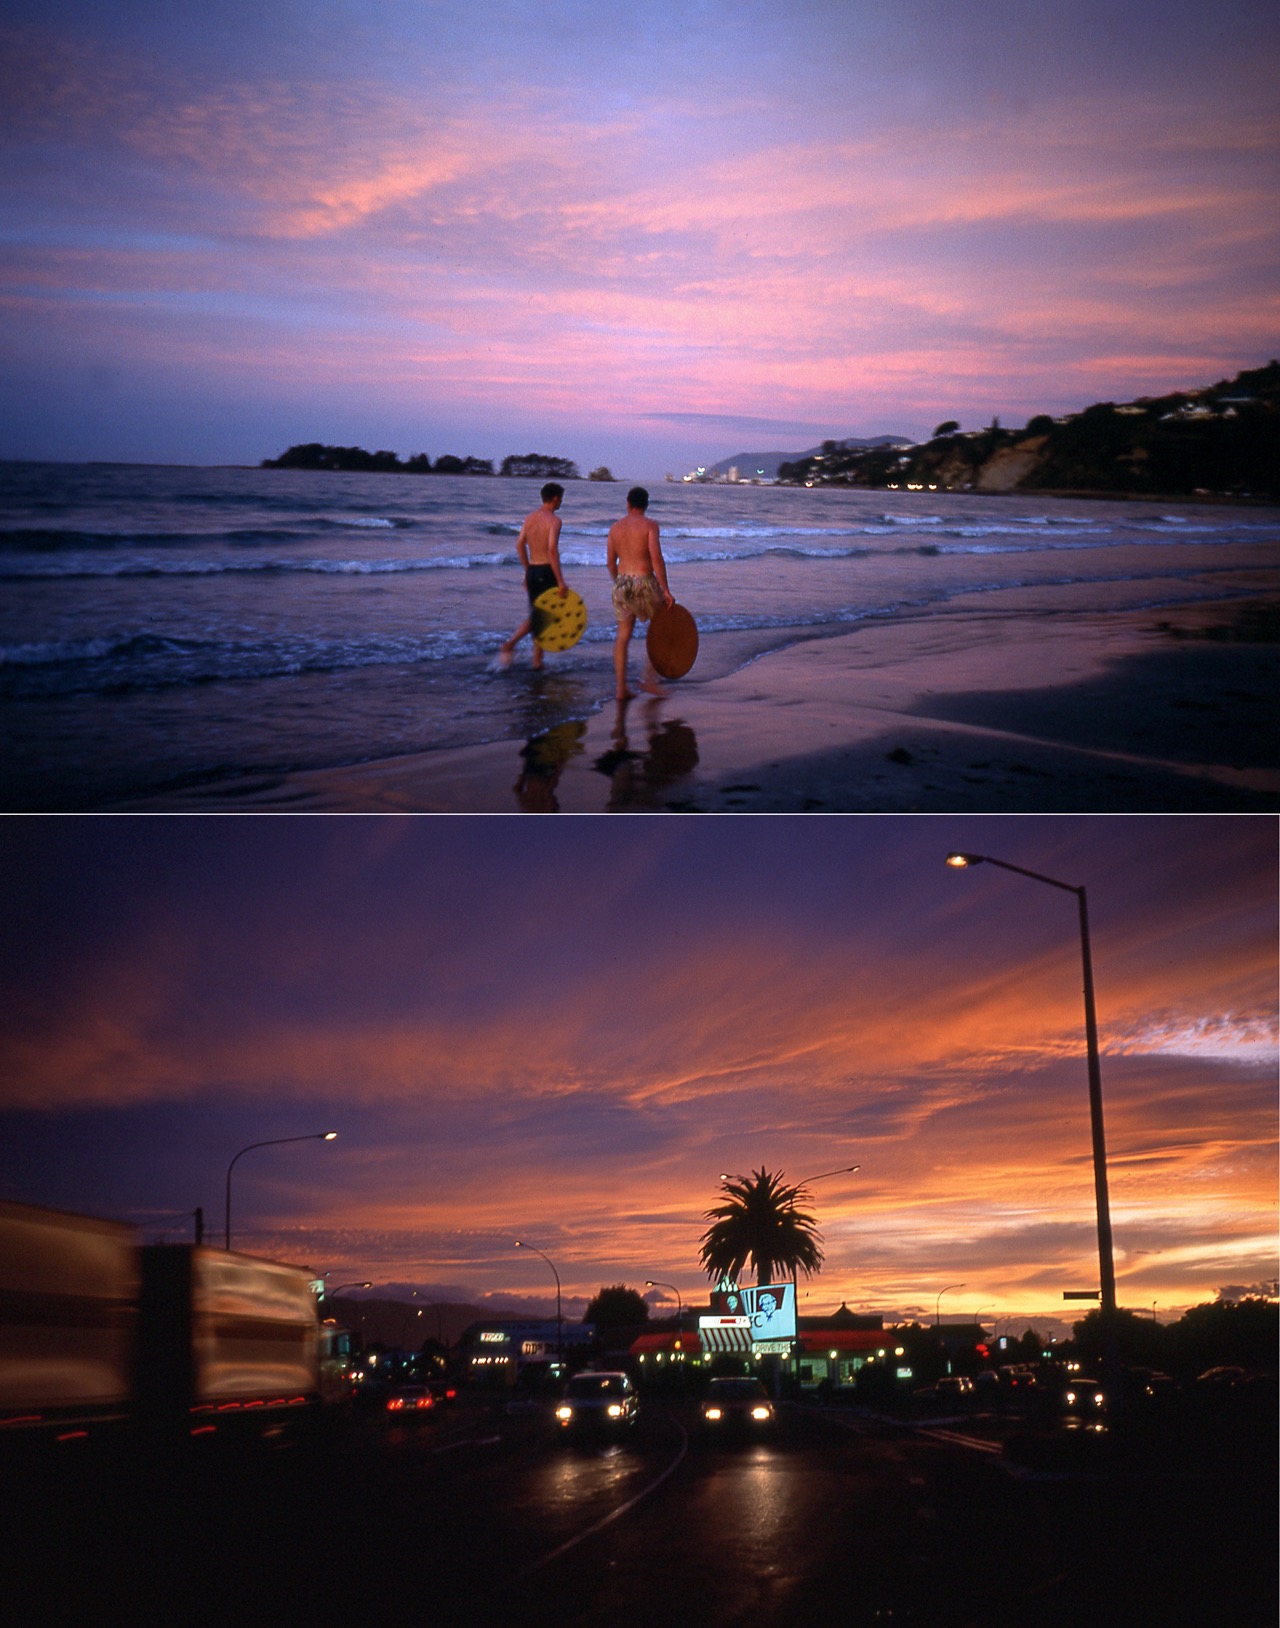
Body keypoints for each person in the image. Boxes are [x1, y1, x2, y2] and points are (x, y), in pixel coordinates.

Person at [607, 486, 674, 699]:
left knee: (623, 636)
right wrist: (665, 589)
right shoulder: (650, 525)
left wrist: (618, 582)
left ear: (628, 503)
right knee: (662, 629)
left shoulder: (615, 528)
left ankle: (621, 689)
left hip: (622, 583)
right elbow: (656, 559)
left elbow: (610, 562)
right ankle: (649, 680)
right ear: (646, 505)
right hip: (644, 582)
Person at [499, 483, 568, 668]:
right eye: (561, 498)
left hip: (533, 571)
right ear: (554, 498)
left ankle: (537, 660)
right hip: (546, 571)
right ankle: (510, 645)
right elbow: (552, 550)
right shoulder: (554, 521)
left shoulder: (529, 518)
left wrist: (527, 569)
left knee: (540, 613)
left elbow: (519, 544)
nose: (561, 501)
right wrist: (561, 581)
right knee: (542, 615)